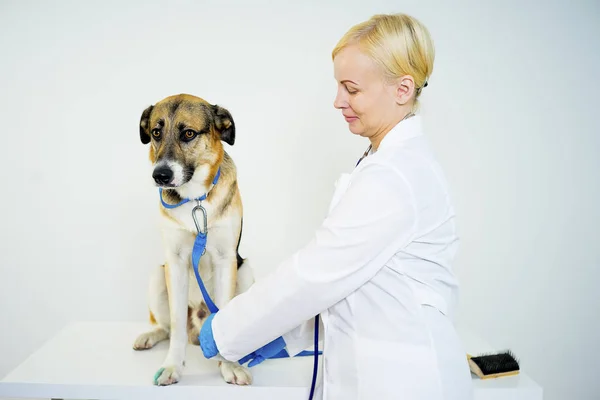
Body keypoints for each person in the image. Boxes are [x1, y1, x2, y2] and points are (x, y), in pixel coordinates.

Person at [199, 13, 474, 399]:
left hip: (405, 381)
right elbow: (358, 288)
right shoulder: (390, 163)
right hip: (387, 371)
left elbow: (315, 275)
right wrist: (285, 335)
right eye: (338, 87)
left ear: (402, 89)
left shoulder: (395, 176)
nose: (338, 101)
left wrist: (225, 329)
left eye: (352, 89)